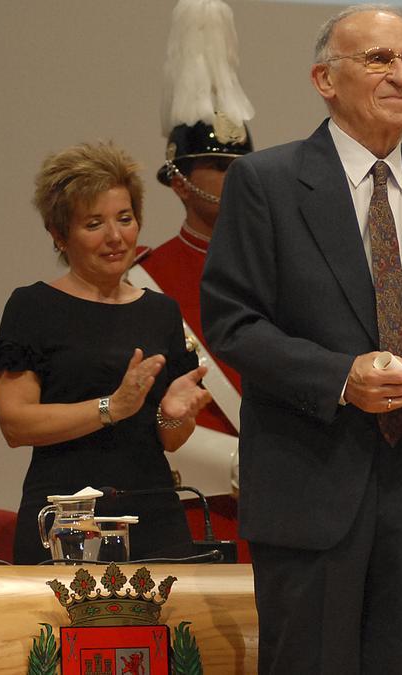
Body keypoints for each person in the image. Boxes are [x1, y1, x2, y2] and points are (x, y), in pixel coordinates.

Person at [201, 4, 402, 672]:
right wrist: (342, 377)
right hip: (310, 491)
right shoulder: (266, 183)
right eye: (379, 59)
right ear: (324, 79)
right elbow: (234, 322)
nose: (401, 75)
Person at [0, 141, 212, 564]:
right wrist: (112, 406)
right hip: (67, 518)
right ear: (58, 234)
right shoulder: (33, 307)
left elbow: (170, 440)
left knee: (165, 632)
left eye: (125, 219)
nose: (115, 237)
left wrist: (175, 415)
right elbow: (15, 423)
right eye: (93, 224)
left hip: (153, 516)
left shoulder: (160, 310)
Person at [128, 0, 256, 560]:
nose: (239, 180)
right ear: (180, 183)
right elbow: (139, 413)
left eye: (244, 168)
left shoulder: (282, 268)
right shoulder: (143, 280)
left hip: (290, 507)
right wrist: (237, 464)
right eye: (223, 169)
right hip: (198, 510)